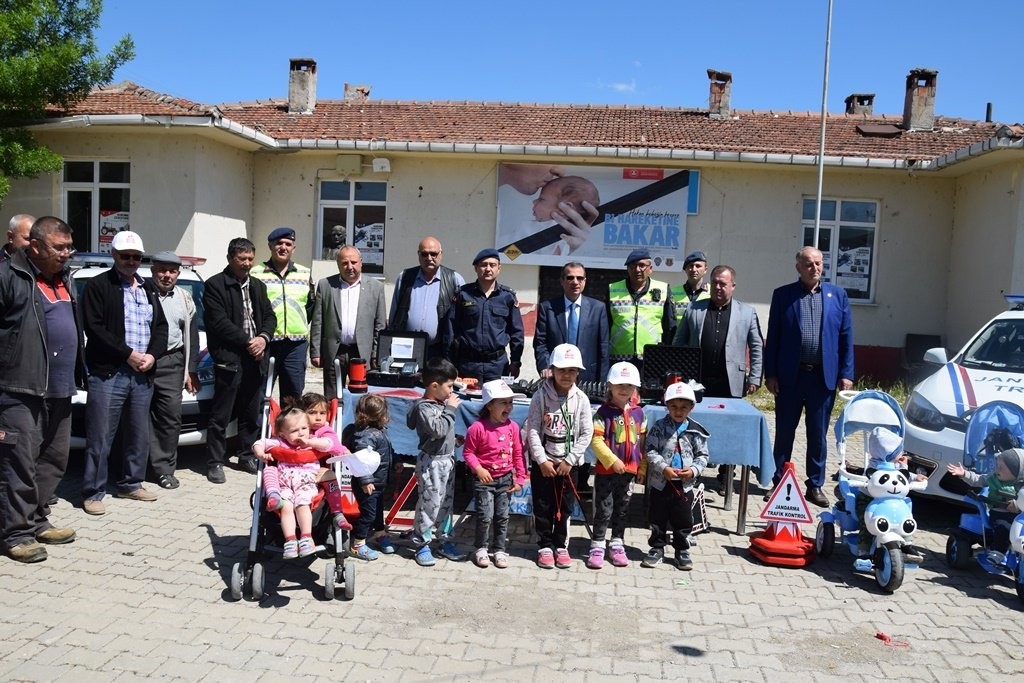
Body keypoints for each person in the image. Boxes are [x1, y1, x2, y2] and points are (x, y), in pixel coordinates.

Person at [0, 216, 83, 562]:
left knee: (53, 460)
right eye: (58, 247)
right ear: (34, 246)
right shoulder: (10, 277)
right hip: (20, 388)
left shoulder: (65, 279)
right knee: (19, 464)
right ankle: (14, 533)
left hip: (60, 389)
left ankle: (36, 521)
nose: (66, 254)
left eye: (69, 247)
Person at [80, 231, 168, 515]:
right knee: (101, 436)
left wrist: (152, 356)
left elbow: (162, 328)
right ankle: (93, 492)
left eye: (136, 257)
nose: (131, 261)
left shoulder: (148, 288)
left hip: (143, 374)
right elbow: (93, 328)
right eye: (125, 256)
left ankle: (131, 483)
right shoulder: (98, 285)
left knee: (138, 434)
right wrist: (128, 354)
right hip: (110, 373)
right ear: (114, 256)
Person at [764, 246, 854, 508]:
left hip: (822, 379)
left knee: (817, 435)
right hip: (790, 377)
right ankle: (778, 482)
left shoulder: (837, 295)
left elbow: (846, 337)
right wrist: (771, 374)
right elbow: (774, 338)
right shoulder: (783, 296)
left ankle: (815, 485)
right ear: (798, 267)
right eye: (808, 264)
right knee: (784, 433)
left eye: (818, 263)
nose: (814, 268)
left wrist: (846, 373)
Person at [672, 264, 763, 493]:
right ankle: (692, 471)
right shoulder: (695, 309)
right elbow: (678, 343)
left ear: (733, 286)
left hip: (730, 381)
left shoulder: (747, 312)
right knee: (694, 427)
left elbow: (756, 345)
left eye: (724, 283)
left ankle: (726, 476)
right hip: (697, 382)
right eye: (715, 283)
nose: (719, 288)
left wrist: (754, 376)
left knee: (730, 430)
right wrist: (677, 377)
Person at [203, 237, 277, 484]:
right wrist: (249, 342)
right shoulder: (215, 285)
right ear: (229, 259)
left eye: (249, 259)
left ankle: (246, 455)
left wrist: (264, 338)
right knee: (221, 414)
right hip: (230, 359)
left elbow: (269, 316)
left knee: (250, 411)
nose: (246, 263)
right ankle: (214, 462)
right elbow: (219, 323)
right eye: (241, 259)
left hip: (255, 359)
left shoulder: (257, 285)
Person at [525, 343, 594, 569]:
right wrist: (542, 460)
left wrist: (570, 460)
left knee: (564, 506)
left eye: (572, 370)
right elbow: (533, 430)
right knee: (543, 504)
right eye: (562, 370)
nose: (567, 375)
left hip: (568, 464)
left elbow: (587, 433)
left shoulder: (582, 399)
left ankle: (561, 545)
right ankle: (544, 545)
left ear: (578, 373)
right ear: (552, 370)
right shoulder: (540, 397)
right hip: (544, 463)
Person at [146, 251, 199, 490]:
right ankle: (135, 469)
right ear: (152, 270)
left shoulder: (185, 298)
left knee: (169, 418)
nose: (167, 275)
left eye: (172, 271)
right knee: (137, 417)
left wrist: (190, 368)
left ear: (178, 273)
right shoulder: (140, 292)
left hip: (172, 363)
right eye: (162, 270)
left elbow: (193, 336)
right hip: (141, 363)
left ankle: (164, 470)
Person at [642, 382, 709, 571]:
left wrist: (694, 470)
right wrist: (663, 467)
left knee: (683, 519)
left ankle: (682, 549)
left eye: (683, 407)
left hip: (685, 485)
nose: (678, 411)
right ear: (666, 405)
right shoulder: (658, 427)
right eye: (673, 406)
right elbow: (650, 450)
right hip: (661, 482)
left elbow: (703, 456)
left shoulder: (696, 431)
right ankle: (656, 548)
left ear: (691, 408)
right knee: (657, 516)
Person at [588, 362, 647, 570]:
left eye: (629, 386)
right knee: (604, 509)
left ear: (635, 389)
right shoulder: (602, 413)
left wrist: (642, 468)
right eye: (620, 385)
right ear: (610, 386)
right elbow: (595, 440)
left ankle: (617, 543)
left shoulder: (639, 414)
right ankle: (597, 545)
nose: (624, 389)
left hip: (630, 472)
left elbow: (642, 443)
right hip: (607, 471)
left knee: (622, 509)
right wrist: (612, 460)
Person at [462, 379, 526, 569]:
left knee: (502, 516)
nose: (509, 407)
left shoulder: (513, 427)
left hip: (505, 479)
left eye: (510, 402)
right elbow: (468, 453)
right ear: (489, 405)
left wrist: (520, 477)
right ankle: (481, 548)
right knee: (485, 515)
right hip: (484, 481)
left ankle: (499, 549)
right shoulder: (478, 428)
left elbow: (518, 454)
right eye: (503, 402)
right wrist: (479, 469)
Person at [406, 357, 464, 567]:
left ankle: (443, 539)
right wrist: (450, 410)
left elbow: (443, 431)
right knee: (429, 504)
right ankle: (421, 543)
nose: (452, 390)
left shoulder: (439, 404)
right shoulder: (425, 408)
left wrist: (455, 440)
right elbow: (437, 430)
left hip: (447, 460)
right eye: (449, 386)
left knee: (445, 504)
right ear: (434, 386)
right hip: (432, 463)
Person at [309, 246, 386, 398]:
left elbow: (380, 325)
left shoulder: (376, 287)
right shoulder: (325, 285)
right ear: (338, 264)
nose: (350, 267)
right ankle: (334, 421)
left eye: (353, 262)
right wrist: (315, 351)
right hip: (334, 351)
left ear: (361, 263)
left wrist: (376, 354)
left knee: (362, 398)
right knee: (332, 398)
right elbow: (318, 321)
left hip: (361, 353)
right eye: (345, 263)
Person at [250, 227, 314, 403]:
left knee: (293, 396)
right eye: (279, 243)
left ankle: (289, 431)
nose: (283, 247)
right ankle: (262, 430)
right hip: (266, 343)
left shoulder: (304, 273)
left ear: (294, 248)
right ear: (270, 246)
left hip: (295, 345)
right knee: (260, 393)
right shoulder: (255, 273)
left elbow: (310, 307)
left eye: (288, 244)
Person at [253, 409, 328, 559]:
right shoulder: (280, 442)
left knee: (302, 503)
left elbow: (327, 445)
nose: (300, 433)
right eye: (294, 431)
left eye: (304, 428)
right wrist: (260, 453)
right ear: (282, 433)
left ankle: (307, 537)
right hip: (285, 486)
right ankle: (290, 540)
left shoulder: (312, 441)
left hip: (306, 485)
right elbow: (260, 442)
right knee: (285, 506)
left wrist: (310, 442)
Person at [444, 248, 524, 383]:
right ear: (476, 268)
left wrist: (516, 361)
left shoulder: (507, 296)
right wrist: (449, 363)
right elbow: (451, 330)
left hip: (497, 366)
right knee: (466, 403)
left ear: (499, 268)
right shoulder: (463, 294)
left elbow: (516, 332)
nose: (488, 269)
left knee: (497, 403)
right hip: (468, 365)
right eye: (483, 265)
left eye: (492, 265)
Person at [388, 236, 465, 360]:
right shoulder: (404, 278)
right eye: (424, 254)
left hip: (441, 351)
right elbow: (394, 315)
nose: (429, 258)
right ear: (419, 255)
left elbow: (463, 319)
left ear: (441, 254)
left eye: (433, 254)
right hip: (407, 349)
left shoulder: (455, 279)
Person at [498, 164, 600, 255]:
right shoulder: (543, 229)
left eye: (541, 199)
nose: (560, 171)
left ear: (565, 208)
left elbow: (552, 258)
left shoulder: (557, 234)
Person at [533, 261, 609, 384]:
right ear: (562, 281)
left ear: (585, 281)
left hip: (588, 378)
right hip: (556, 376)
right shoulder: (547, 308)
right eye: (570, 278)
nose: (575, 282)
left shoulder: (598, 308)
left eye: (580, 278)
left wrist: (602, 382)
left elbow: (603, 348)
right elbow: (540, 343)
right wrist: (545, 366)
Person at [342, 394, 397, 560]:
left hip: (378, 482)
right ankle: (357, 544)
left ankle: (379, 533)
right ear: (378, 416)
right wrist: (365, 480)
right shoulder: (365, 436)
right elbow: (361, 459)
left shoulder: (379, 431)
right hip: (368, 483)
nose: (388, 417)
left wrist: (397, 461)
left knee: (378, 511)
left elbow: (387, 450)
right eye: (385, 413)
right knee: (368, 514)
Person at [607, 248, 676, 372]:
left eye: (642, 265)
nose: (637, 270)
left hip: (652, 358)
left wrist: (667, 356)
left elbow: (669, 327)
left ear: (650, 268)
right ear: (627, 269)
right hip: (618, 357)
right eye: (632, 266)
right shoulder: (613, 289)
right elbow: (605, 325)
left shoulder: (663, 289)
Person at [947, 448, 1024, 555]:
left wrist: (1017, 504)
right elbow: (978, 480)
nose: (997, 470)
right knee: (1004, 528)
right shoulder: (993, 478)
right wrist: (964, 474)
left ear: (1016, 473)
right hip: (1000, 514)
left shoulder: (1021, 485)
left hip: (1020, 516)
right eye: (997, 465)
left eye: (1001, 468)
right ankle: (998, 554)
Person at [670, 250, 710, 325]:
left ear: (705, 270)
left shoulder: (712, 293)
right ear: (685, 270)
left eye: (698, 266)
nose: (694, 269)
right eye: (691, 266)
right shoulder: (672, 292)